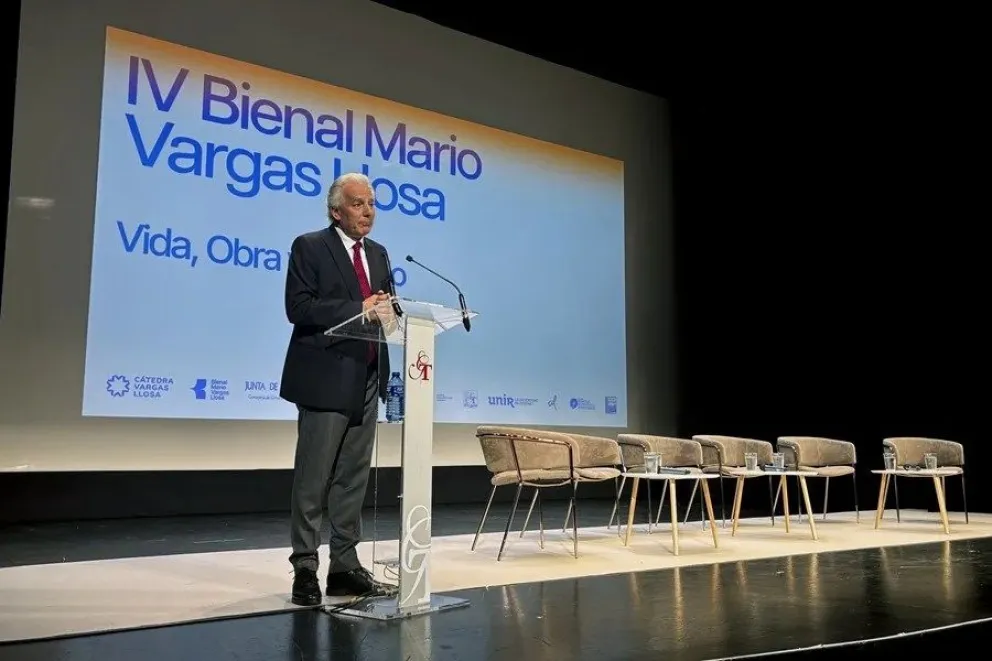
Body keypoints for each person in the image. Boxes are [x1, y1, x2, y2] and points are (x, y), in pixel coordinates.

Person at [279, 172, 396, 606]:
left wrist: (391, 313)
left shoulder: (380, 255)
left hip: (365, 378)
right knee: (314, 479)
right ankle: (305, 568)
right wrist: (358, 308)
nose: (368, 211)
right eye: (359, 203)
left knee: (352, 480)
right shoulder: (310, 246)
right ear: (336, 211)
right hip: (325, 378)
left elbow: (385, 313)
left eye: (372, 203)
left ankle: (344, 567)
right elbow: (299, 307)